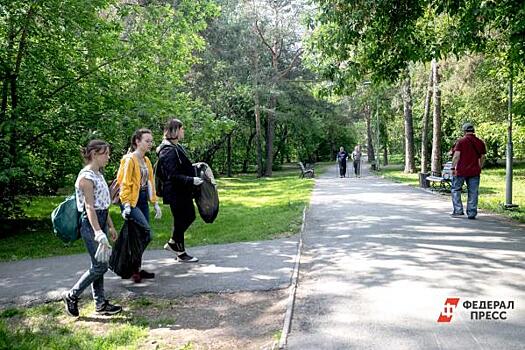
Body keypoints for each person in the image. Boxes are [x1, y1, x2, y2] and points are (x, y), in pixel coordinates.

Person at [63, 140, 122, 317]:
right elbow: (90, 207)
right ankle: (72, 295)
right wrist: (98, 232)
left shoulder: (98, 174)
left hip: (101, 220)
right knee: (100, 266)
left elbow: (103, 205)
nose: (108, 157)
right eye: (106, 153)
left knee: (99, 263)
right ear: (95, 154)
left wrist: (110, 226)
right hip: (90, 223)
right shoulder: (86, 178)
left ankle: (100, 304)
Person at [116, 128, 162, 283]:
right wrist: (126, 204)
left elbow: (150, 183)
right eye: (147, 141)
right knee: (146, 233)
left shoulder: (146, 160)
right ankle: (129, 266)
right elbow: (125, 183)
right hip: (131, 201)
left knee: (139, 236)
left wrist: (154, 203)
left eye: (151, 141)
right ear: (137, 141)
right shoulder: (130, 159)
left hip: (142, 199)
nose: (150, 144)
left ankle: (135, 269)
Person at [156, 118, 203, 262]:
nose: (184, 131)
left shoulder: (175, 147)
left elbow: (182, 166)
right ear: (175, 130)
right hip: (176, 192)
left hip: (182, 191)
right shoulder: (168, 151)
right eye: (182, 129)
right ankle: (178, 250)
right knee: (184, 218)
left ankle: (176, 247)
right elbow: (173, 175)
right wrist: (191, 180)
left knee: (184, 218)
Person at [450, 122, 486, 219]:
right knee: (473, 192)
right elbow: (482, 157)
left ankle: (458, 210)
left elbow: (456, 156)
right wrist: (480, 166)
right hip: (474, 171)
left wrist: (453, 168)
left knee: (456, 189)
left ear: (464, 131)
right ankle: (471, 213)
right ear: (473, 131)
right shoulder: (480, 142)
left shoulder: (461, 141)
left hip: (461, 171)